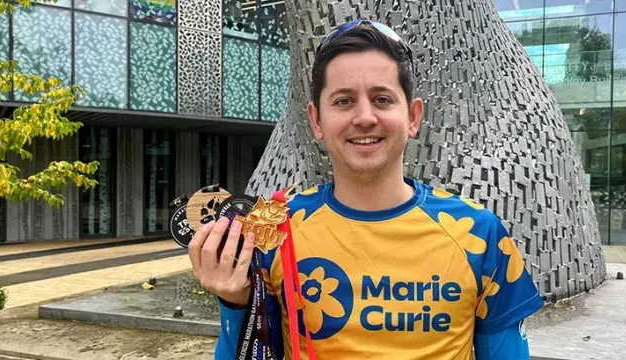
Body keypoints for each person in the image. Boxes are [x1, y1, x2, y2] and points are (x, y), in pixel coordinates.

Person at [189, 19, 544, 360]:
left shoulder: (480, 233)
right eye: (343, 101)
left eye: (382, 99)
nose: (364, 117)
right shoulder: (275, 230)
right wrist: (235, 300)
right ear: (316, 121)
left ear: (413, 117)